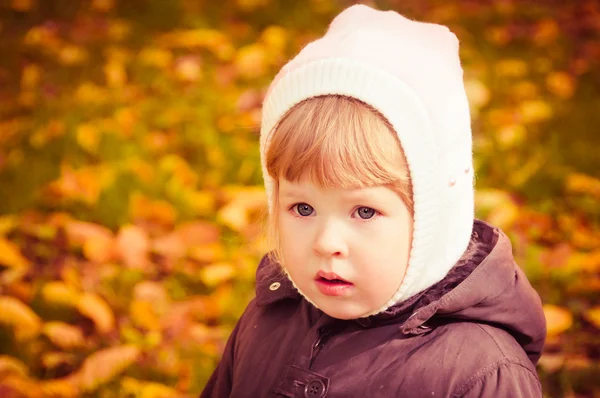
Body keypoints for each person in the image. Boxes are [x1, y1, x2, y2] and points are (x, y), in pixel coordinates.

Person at [201, 4, 546, 397]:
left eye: (364, 211)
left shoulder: (479, 374)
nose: (326, 242)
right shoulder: (266, 323)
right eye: (303, 208)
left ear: (431, 224)